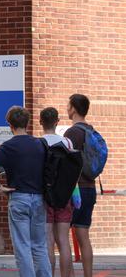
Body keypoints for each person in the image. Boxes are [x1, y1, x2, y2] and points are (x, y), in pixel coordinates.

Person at [0, 106, 52, 277]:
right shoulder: (40, 144)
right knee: (40, 246)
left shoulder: (8, 146)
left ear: (10, 125)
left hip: (19, 198)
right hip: (40, 198)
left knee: (22, 247)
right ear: (27, 123)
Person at [64, 94, 102, 277]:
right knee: (84, 236)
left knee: (63, 238)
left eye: (68, 105)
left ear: (73, 109)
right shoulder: (91, 131)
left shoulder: (72, 133)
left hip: (74, 190)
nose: (66, 108)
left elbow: (64, 163)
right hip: (90, 188)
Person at [37, 107, 75, 277]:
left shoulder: (38, 143)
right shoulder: (67, 143)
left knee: (48, 242)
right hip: (64, 196)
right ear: (57, 122)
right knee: (64, 241)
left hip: (45, 196)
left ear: (40, 122)